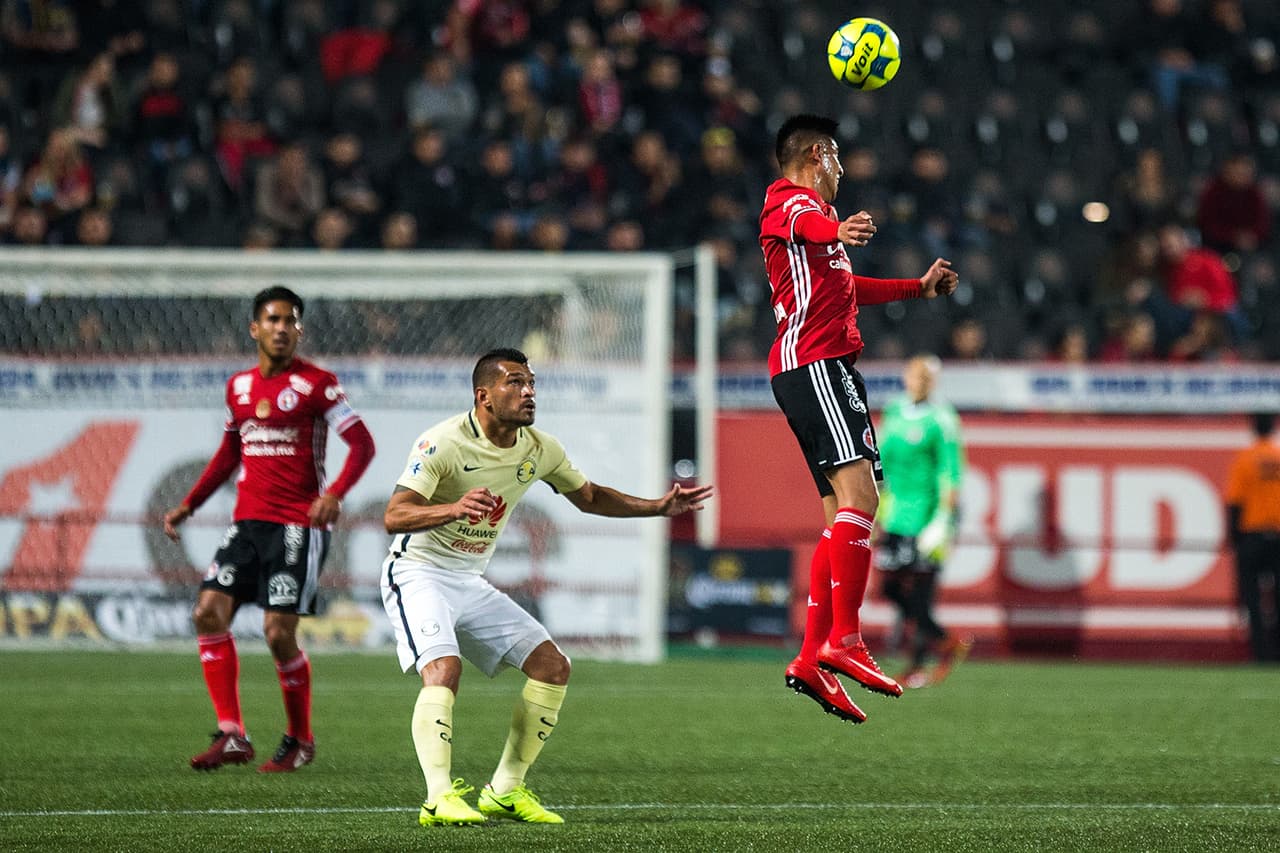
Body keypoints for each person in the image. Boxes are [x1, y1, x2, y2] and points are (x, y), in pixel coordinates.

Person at [380, 347, 712, 826]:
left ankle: (505, 790)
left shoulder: (539, 448)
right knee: (444, 668)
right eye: (514, 383)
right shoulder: (443, 443)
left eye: (531, 383)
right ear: (484, 396)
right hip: (418, 571)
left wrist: (657, 507)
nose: (529, 391)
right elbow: (395, 515)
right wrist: (450, 508)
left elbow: (591, 497)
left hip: (468, 579)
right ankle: (438, 797)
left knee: (552, 666)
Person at [759, 114, 958, 725]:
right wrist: (835, 227)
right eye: (839, 159)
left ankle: (810, 658)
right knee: (863, 499)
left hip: (819, 367)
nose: (842, 171)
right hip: (815, 364)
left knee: (836, 516)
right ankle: (844, 638)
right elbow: (806, 223)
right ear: (818, 155)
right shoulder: (788, 204)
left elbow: (850, 289)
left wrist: (916, 290)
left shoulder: (815, 235)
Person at [163, 286, 377, 772]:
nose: (282, 328)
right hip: (247, 524)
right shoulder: (238, 388)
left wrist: (335, 493)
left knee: (278, 633)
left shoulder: (319, 385)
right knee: (207, 613)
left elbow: (362, 445)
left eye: (290, 321)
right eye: (273, 319)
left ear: (299, 330)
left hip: (296, 526)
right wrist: (188, 505)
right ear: (254, 328)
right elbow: (228, 455)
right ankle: (232, 734)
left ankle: (300, 739)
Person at [874, 355, 973, 688]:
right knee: (889, 587)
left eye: (927, 377)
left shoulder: (942, 419)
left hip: (927, 518)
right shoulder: (894, 411)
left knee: (921, 592)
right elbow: (882, 464)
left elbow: (950, 472)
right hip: (896, 517)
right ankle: (948, 641)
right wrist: (875, 513)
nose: (920, 382)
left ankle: (916, 664)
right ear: (906, 377)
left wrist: (943, 521)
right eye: (916, 375)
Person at [1224, 412, 1280, 662]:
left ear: (1254, 428)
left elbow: (1235, 502)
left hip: (1252, 537)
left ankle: (1260, 654)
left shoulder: (1245, 458)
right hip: (1278, 536)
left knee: (1252, 599)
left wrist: (1234, 540)